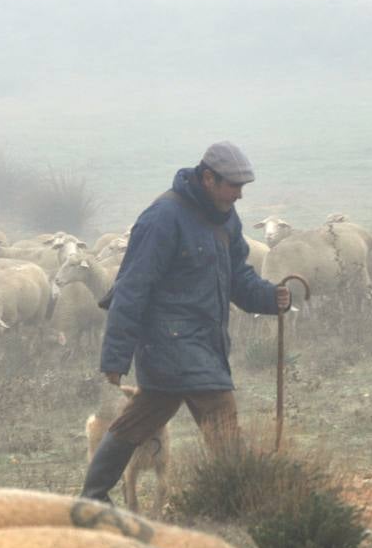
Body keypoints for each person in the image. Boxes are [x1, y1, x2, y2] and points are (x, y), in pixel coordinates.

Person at [80, 141, 292, 505]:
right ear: (208, 178)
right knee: (222, 419)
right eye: (234, 186)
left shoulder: (225, 219)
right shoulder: (163, 218)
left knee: (137, 420)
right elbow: (132, 288)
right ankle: (245, 501)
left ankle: (93, 497)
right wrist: (115, 358)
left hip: (205, 343)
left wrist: (270, 297)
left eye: (242, 187)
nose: (239, 195)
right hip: (171, 345)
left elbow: (238, 276)